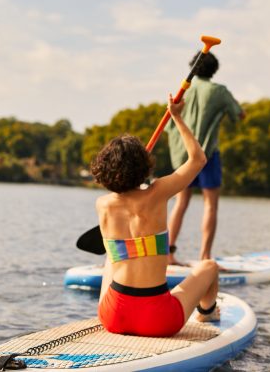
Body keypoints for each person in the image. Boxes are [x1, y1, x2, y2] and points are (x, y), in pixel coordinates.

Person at [90, 95, 220, 337]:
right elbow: (198, 159)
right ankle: (208, 311)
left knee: (111, 259)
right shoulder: (159, 193)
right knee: (210, 266)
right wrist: (177, 117)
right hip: (158, 321)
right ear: (143, 167)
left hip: (113, 317)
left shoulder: (103, 205)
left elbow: (123, 193)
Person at [167, 51, 244, 265]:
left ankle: (168, 254)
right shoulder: (219, 91)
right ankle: (205, 257)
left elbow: (168, 126)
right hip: (206, 154)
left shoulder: (183, 91)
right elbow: (238, 115)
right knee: (210, 204)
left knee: (180, 202)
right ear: (214, 70)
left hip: (181, 154)